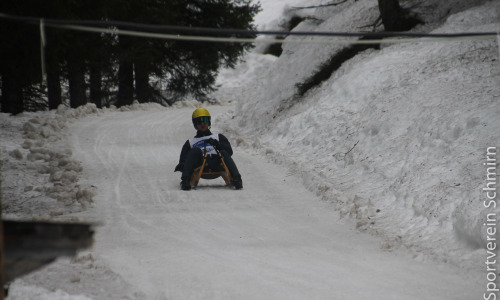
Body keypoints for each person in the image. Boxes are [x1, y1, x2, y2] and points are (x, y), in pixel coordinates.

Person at [175, 108, 243, 190]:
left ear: (209, 121)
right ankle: (185, 180)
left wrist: (217, 144)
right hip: (200, 163)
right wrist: (182, 166)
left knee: (223, 152)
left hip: (217, 162)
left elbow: (229, 152)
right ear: (195, 124)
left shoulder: (218, 137)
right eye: (199, 121)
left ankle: (237, 178)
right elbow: (183, 159)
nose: (202, 123)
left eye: (205, 120)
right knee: (195, 150)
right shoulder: (190, 142)